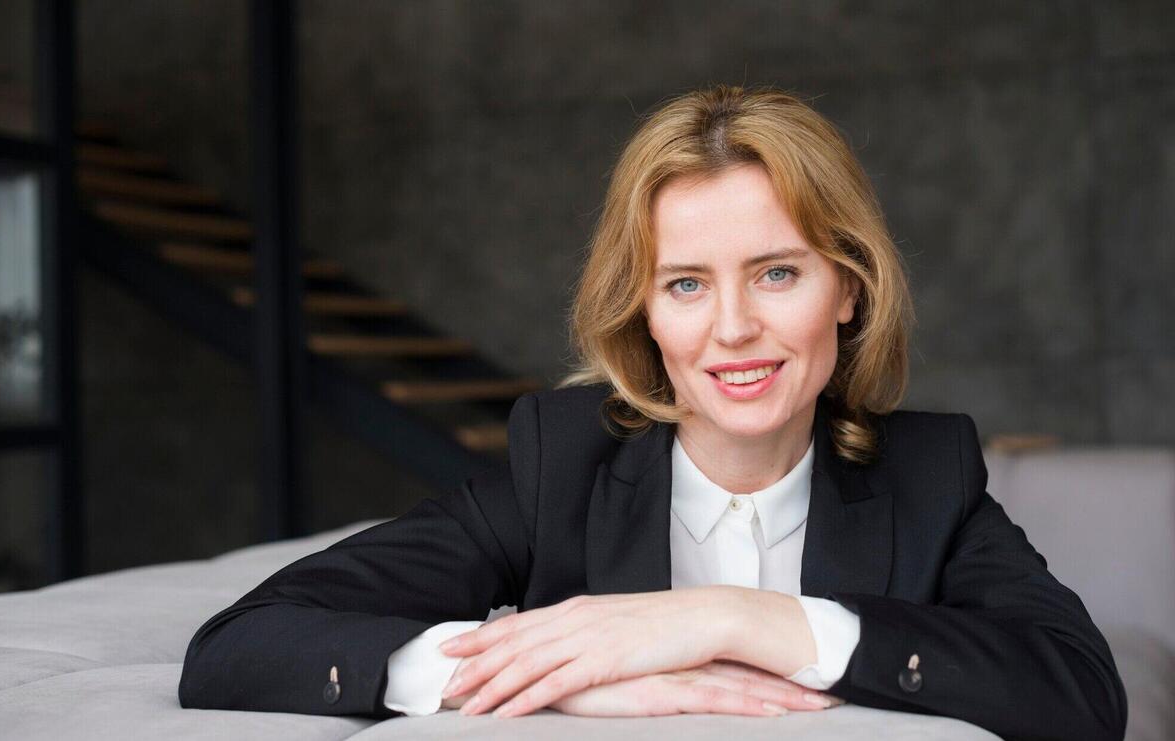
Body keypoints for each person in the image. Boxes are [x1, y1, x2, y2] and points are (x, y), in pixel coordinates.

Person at [178, 85, 1127, 740]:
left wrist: (741, 620)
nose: (734, 329)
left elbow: (1083, 693)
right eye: (685, 284)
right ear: (644, 311)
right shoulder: (563, 466)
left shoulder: (929, 474)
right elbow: (237, 646)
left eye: (778, 272)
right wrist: (554, 677)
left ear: (848, 285)